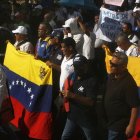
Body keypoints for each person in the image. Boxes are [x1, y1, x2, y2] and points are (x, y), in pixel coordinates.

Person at [60, 54, 98, 140]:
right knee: (65, 137)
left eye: (79, 67)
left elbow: (90, 102)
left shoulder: (92, 80)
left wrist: (72, 95)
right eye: (75, 67)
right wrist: (64, 93)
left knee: (90, 138)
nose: (77, 69)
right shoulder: (73, 76)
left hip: (86, 118)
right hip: (72, 116)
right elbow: (67, 88)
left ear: (86, 66)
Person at [104, 52, 140, 140]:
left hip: (119, 126)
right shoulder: (111, 76)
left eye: (114, 65)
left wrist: (131, 126)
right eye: (110, 62)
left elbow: (135, 106)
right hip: (109, 122)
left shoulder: (129, 83)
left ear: (123, 67)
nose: (110, 66)